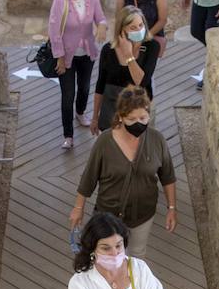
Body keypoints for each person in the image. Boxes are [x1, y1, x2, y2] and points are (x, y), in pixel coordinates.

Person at [68, 88, 178, 259]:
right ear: (120, 116)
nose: (138, 123)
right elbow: (89, 177)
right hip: (108, 216)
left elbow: (168, 176)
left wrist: (171, 208)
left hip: (143, 214)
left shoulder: (157, 140)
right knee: (108, 258)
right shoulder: (105, 141)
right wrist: (78, 207)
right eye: (132, 119)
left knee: (136, 256)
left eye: (143, 118)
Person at [48, 0, 108, 150]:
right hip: (66, 55)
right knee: (67, 95)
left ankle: (80, 112)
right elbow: (54, 30)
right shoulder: (60, 1)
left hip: (87, 53)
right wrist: (59, 56)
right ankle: (68, 135)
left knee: (83, 88)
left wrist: (102, 26)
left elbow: (101, 17)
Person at [92, 6, 158, 134]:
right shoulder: (108, 50)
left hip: (139, 110)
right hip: (112, 110)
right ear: (122, 30)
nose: (139, 30)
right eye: (133, 28)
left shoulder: (152, 47)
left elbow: (141, 81)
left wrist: (129, 56)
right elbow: (100, 85)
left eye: (140, 25)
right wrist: (95, 117)